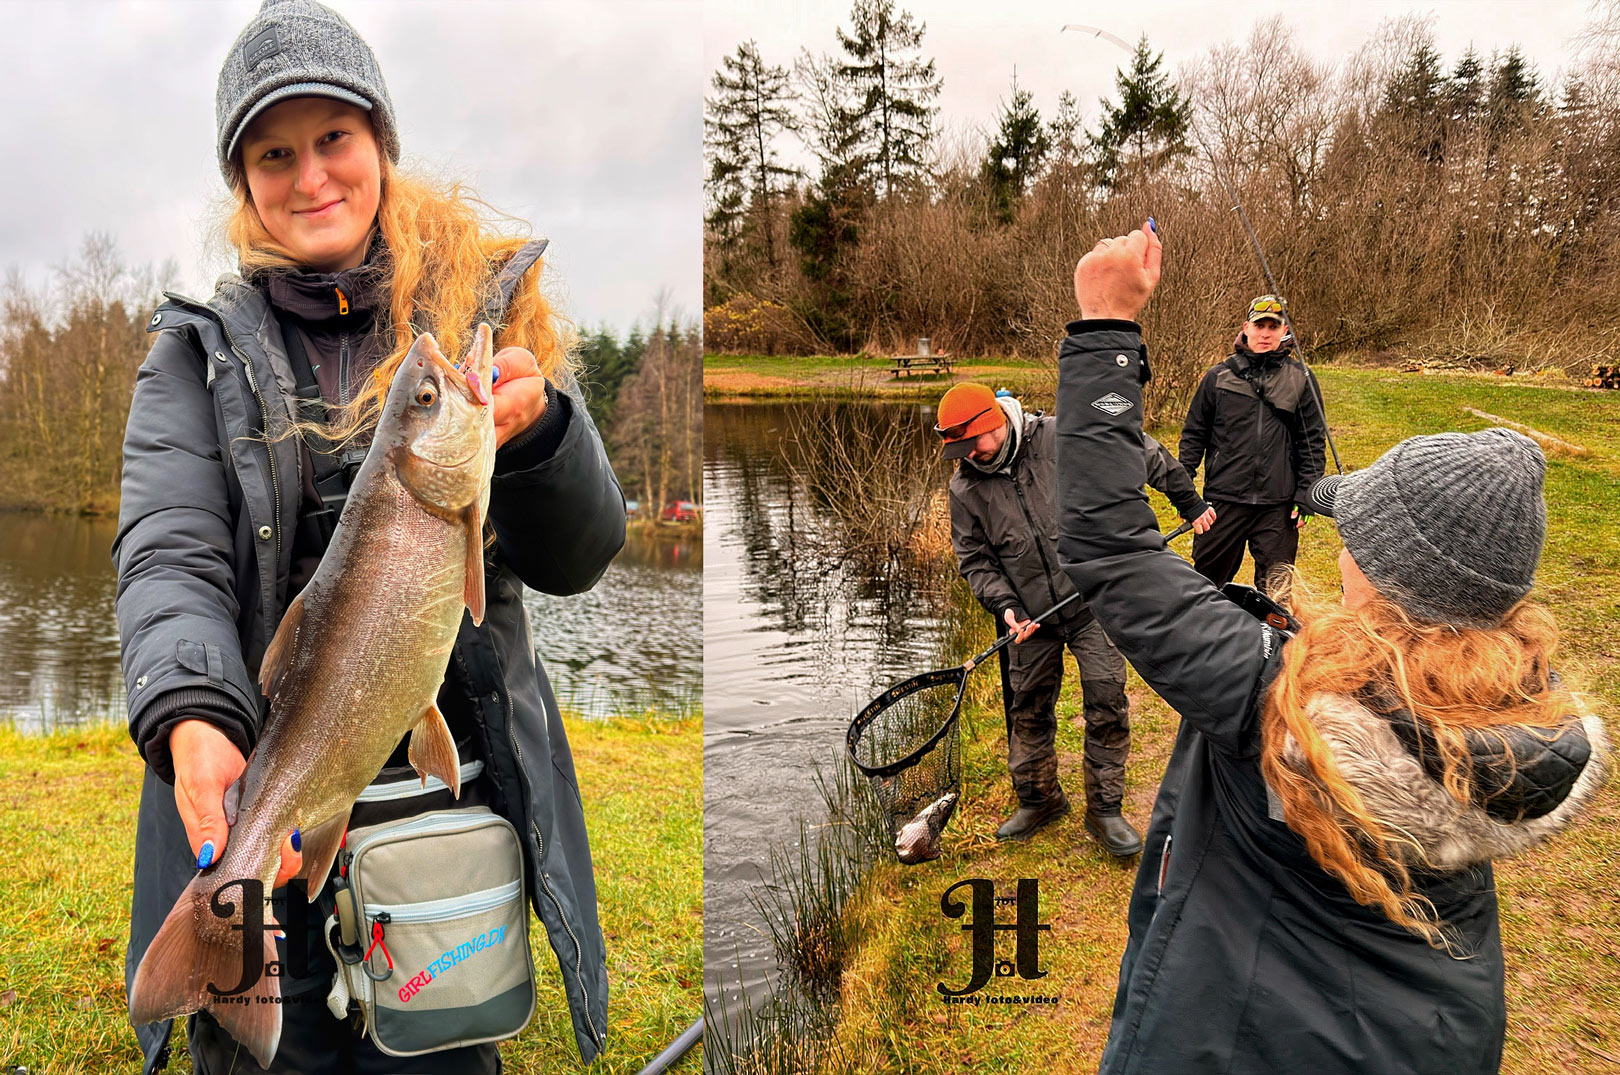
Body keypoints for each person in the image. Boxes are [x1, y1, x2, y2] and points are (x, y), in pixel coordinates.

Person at [115, 2, 623, 1071]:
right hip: (269, 793)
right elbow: (168, 552)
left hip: (448, 834)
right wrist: (192, 712)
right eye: (274, 153)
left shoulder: (477, 316)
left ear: (380, 145)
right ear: (243, 182)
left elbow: (581, 554)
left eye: (334, 138)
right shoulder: (190, 358)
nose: (311, 177)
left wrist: (540, 442)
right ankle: (226, 941)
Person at [1054, 222, 1609, 1073]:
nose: (1340, 544)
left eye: (1357, 532)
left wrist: (1104, 327)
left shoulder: (1281, 705)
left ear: (1381, 574)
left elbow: (1108, 544)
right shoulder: (1519, 724)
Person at [938, 382, 1214, 854]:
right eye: (960, 449)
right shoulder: (964, 487)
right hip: (1029, 617)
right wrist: (1006, 607)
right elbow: (976, 560)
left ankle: (1105, 811)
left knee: (1106, 699)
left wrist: (1188, 501)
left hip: (1092, 600)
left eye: (973, 443)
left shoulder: (1061, 437)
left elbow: (1136, 449)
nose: (970, 455)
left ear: (993, 421)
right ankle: (1039, 799)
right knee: (1027, 709)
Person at [1177, 294, 1328, 592]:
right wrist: (1184, 491)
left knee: (1277, 595)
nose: (1265, 333)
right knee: (1206, 589)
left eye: (1274, 326)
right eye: (1260, 326)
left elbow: (1312, 441)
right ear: (1246, 327)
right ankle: (1209, 639)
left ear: (1284, 331)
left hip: (1278, 506)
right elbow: (1194, 434)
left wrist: (1306, 495)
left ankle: (1274, 640)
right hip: (1222, 501)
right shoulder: (1217, 377)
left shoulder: (1302, 379)